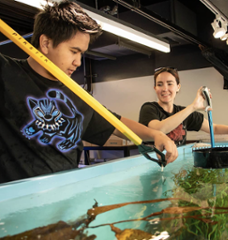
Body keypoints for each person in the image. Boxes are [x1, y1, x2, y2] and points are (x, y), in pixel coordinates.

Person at [0, 1, 178, 184]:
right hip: (13, 205)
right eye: (73, 51)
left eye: (82, 54)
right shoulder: (6, 72)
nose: (78, 62)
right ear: (46, 43)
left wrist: (155, 135)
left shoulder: (77, 94)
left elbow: (115, 123)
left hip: (64, 200)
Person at [139, 66, 228, 146]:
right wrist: (192, 107)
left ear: (178, 87)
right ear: (155, 88)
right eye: (160, 84)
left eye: (170, 84)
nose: (165, 89)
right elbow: (158, 130)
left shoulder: (183, 112)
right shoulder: (149, 108)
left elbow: (214, 128)